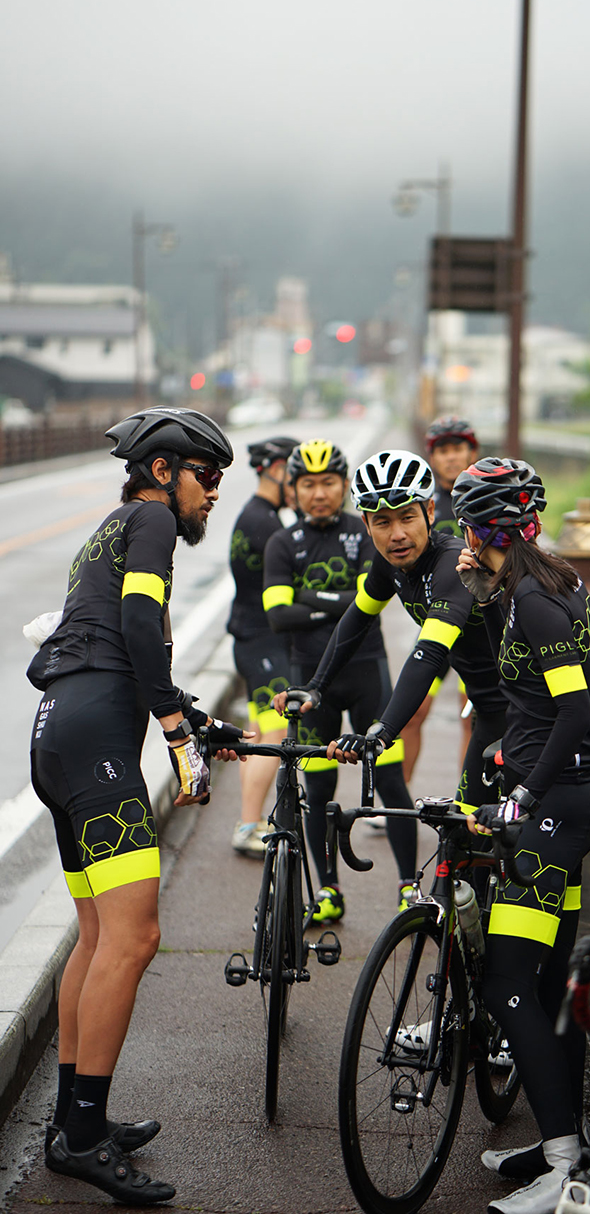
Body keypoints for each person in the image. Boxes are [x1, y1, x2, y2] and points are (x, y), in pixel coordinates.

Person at [27, 407, 247, 1205]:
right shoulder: (151, 522)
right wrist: (177, 730)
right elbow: (136, 624)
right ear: (163, 471)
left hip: (60, 733)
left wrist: (193, 714)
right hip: (98, 742)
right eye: (207, 475)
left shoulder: (112, 528)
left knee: (96, 935)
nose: (213, 491)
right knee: (135, 936)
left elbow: (120, 643)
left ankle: (72, 1120)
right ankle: (84, 1137)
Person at [452, 458, 590, 1214]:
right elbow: (528, 690)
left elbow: (577, 712)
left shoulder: (540, 603)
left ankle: (565, 1168)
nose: (462, 542)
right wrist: (487, 598)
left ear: (484, 532)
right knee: (549, 987)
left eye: (466, 529)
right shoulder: (543, 585)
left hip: (552, 814)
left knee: (508, 983)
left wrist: (521, 794)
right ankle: (561, 1141)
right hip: (567, 802)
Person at [275, 448, 507, 820]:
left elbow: (429, 654)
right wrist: (317, 686)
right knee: (468, 836)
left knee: (505, 836)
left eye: (407, 517)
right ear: (366, 525)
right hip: (490, 710)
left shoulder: (451, 565)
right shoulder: (388, 565)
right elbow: (356, 619)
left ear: (430, 511)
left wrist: (382, 732)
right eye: (382, 522)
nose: (397, 535)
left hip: (525, 712)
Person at [261, 439, 418, 921]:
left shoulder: (366, 530)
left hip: (368, 672)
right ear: (293, 489)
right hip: (310, 681)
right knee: (318, 792)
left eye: (328, 482)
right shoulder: (282, 542)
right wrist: (342, 602)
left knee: (391, 783)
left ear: (345, 485)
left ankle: (409, 887)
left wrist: (309, 598)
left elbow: (373, 601)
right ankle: (329, 891)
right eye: (307, 484)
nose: (318, 493)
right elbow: (278, 616)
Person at [398, 415, 482, 785]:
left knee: (472, 719)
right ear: (431, 457)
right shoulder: (424, 502)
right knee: (412, 713)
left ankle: (467, 803)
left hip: (479, 629)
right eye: (442, 450)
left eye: (457, 448)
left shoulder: (484, 500)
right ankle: (397, 801)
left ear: (471, 452)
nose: (450, 457)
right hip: (437, 624)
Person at [227, 435, 298, 855]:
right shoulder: (267, 524)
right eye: (295, 473)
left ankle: (247, 821)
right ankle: (248, 825)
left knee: (257, 736)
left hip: (250, 641)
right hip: (263, 644)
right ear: (275, 470)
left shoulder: (254, 515)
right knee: (275, 732)